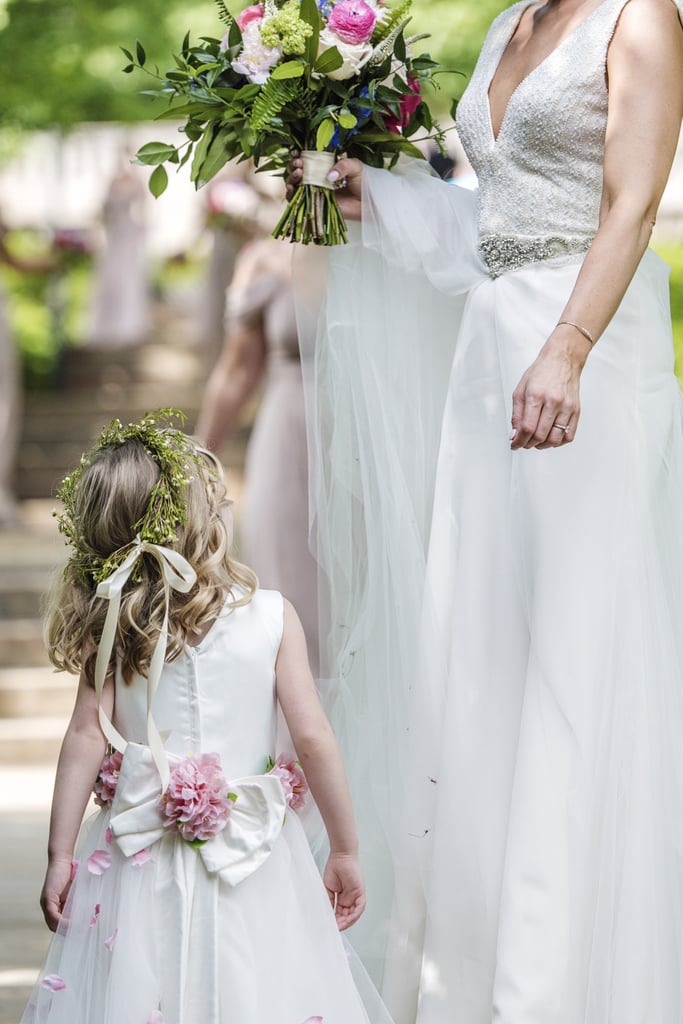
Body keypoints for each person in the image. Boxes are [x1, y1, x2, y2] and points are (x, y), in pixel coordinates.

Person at [288, 1, 683, 1022]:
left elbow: (631, 208)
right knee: (477, 657)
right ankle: (471, 974)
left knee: (569, 653)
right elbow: (493, 218)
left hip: (585, 350)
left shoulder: (638, 21)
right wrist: (363, 191)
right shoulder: (510, 20)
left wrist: (567, 346)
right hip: (486, 349)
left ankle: (555, 986)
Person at [22, 411, 393, 1024]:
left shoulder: (115, 626)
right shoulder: (272, 616)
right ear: (203, 515)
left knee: (145, 989)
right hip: (257, 857)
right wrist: (345, 847)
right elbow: (314, 738)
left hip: (137, 862)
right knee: (259, 986)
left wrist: (61, 852)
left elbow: (86, 737)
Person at [196, 237, 320, 675]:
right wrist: (194, 462)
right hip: (289, 444)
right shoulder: (265, 259)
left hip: (373, 449)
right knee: (287, 597)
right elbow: (237, 371)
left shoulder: (394, 243)